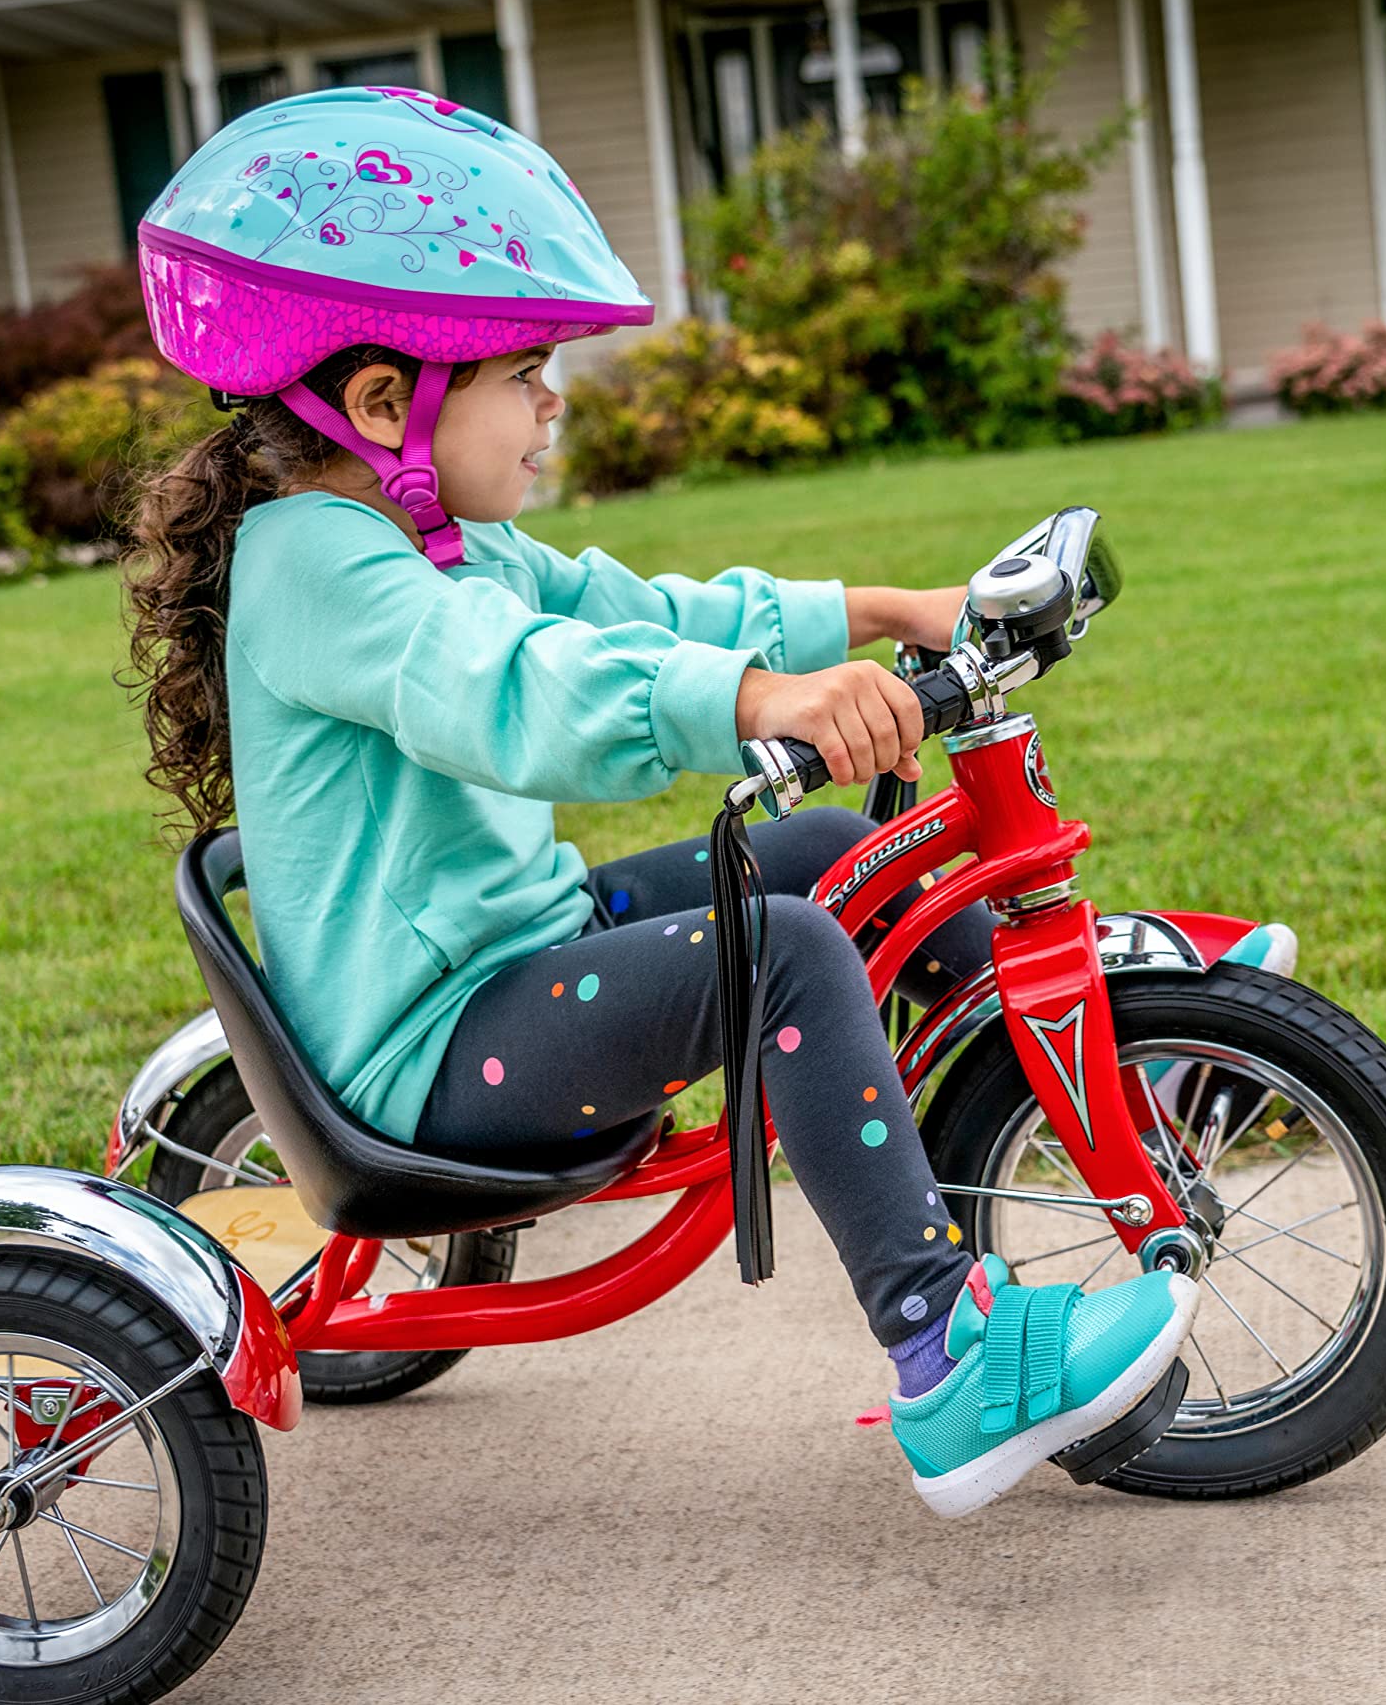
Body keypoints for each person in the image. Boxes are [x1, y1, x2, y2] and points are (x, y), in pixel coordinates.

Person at [121, 86, 1198, 1517]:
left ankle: (1098, 1064)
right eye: (528, 374)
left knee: (824, 850)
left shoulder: (438, 536)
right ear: (388, 401)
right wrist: (759, 704)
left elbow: (641, 608)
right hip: (431, 1047)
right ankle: (949, 1357)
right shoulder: (327, 568)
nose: (553, 403)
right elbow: (520, 688)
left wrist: (890, 609)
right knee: (792, 955)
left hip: (507, 948)